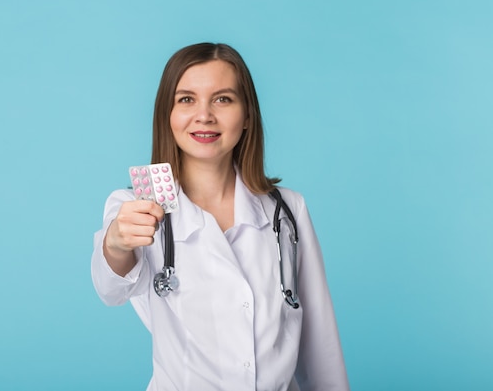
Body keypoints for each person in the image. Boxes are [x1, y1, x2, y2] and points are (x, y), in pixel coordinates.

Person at [91, 43, 349, 391]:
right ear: (166, 115)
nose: (204, 115)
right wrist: (116, 241)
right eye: (186, 99)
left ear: (247, 118)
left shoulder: (287, 211)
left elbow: (320, 346)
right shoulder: (135, 207)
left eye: (223, 99)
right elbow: (110, 288)